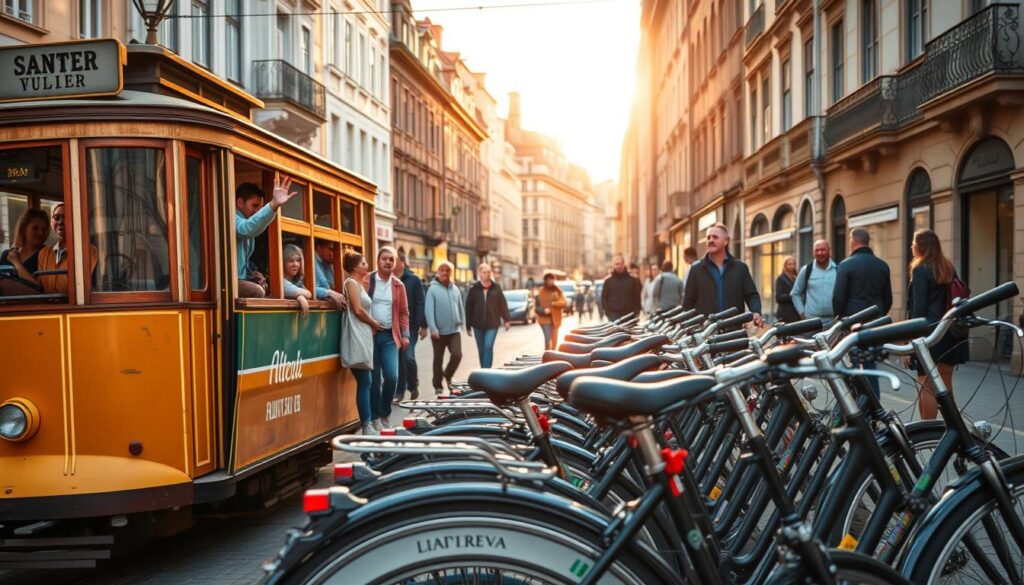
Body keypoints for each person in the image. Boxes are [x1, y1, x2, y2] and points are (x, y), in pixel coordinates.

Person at [907, 229, 968, 419]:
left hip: (928, 334)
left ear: (919, 247)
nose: (911, 246)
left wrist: (911, 344)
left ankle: (926, 435)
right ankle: (956, 434)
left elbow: (919, 309)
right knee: (947, 388)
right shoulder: (948, 267)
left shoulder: (920, 269)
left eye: (913, 243)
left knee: (927, 387)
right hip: (949, 332)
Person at [832, 228, 893, 397]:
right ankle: (871, 404)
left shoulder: (846, 265)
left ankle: (864, 407)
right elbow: (888, 298)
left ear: (852, 242)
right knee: (869, 365)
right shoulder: (882, 266)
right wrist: (878, 316)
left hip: (852, 325)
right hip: (875, 325)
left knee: (852, 366)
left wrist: (840, 320)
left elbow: (838, 298)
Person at [682, 223, 764, 327]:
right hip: (705, 334)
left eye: (715, 237)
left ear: (726, 241)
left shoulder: (740, 268)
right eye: (708, 237)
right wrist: (695, 326)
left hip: (734, 333)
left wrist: (756, 312)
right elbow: (687, 304)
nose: (711, 240)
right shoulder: (696, 269)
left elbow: (751, 295)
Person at [367, 246, 410, 429]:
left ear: (395, 263)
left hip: (389, 336)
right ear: (378, 261)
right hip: (370, 335)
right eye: (384, 259)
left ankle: (385, 412)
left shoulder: (398, 285)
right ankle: (375, 416)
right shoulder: (367, 280)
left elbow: (403, 313)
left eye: (391, 259)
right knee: (374, 379)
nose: (387, 262)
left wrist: (405, 334)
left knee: (392, 376)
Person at [235, 174, 297, 298]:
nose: (257, 210)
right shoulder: (232, 216)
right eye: (254, 206)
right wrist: (273, 204)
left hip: (238, 280)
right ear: (240, 202)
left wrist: (253, 274)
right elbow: (246, 228)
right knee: (258, 291)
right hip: (228, 283)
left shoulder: (245, 220)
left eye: (260, 207)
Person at [341, 250, 379, 435]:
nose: (367, 266)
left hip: (362, 334)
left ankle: (368, 422)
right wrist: (374, 323)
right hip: (356, 334)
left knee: (367, 381)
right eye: (363, 263)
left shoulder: (359, 283)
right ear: (355, 266)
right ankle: (367, 424)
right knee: (366, 380)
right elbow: (357, 310)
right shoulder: (351, 283)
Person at [36, 203, 97, 295]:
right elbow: (40, 286)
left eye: (66, 217)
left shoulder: (89, 251)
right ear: (52, 223)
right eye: (56, 218)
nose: (60, 222)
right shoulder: (44, 253)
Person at [425, 261, 464, 395]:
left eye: (447, 270)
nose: (445, 273)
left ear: (451, 273)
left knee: (457, 354)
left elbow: (460, 306)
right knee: (438, 359)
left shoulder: (455, 288)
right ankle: (437, 384)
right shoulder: (432, 289)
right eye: (442, 270)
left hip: (454, 330)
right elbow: (428, 310)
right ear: (438, 272)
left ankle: (448, 374)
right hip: (439, 332)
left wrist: (462, 322)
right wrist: (433, 328)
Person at [465, 263, 511, 369]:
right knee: (481, 350)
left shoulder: (496, 287)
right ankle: (484, 372)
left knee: (488, 346)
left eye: (489, 272)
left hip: (493, 323)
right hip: (477, 324)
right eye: (484, 272)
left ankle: (487, 372)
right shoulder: (474, 289)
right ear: (479, 274)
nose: (487, 274)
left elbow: (503, 304)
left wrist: (507, 320)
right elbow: (468, 308)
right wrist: (468, 326)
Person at [394, 250, 427, 401]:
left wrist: (423, 325)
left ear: (401, 262)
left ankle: (413, 385)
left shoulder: (414, 280)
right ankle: (399, 392)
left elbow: (421, 302)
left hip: (410, 326)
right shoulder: (389, 280)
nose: (390, 263)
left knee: (408, 356)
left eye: (393, 260)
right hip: (394, 326)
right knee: (399, 359)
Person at [0, 208, 50, 295]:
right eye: (35, 228)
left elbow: (38, 289)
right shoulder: (6, 255)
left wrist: (17, 263)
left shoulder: (47, 255)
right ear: (23, 229)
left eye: (44, 229)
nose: (40, 232)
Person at [791, 239, 838, 324]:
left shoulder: (837, 270)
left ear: (829, 251)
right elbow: (795, 293)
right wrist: (802, 314)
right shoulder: (807, 270)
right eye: (817, 250)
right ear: (813, 253)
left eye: (823, 250)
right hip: (812, 322)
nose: (820, 253)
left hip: (833, 322)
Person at [602, 254, 642, 321]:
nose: (618, 266)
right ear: (613, 265)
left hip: (630, 316)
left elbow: (637, 298)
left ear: (623, 264)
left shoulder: (633, 280)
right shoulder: (608, 281)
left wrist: (636, 312)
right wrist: (608, 313)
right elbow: (604, 298)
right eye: (616, 264)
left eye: (620, 264)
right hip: (614, 317)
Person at [535, 271, 567, 350]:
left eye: (552, 280)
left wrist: (554, 304)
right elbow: (536, 307)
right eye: (549, 280)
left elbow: (564, 302)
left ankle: (553, 354)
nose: (551, 282)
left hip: (555, 319)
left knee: (554, 340)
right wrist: (543, 310)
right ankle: (547, 355)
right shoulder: (540, 291)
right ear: (545, 281)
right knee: (548, 338)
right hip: (544, 319)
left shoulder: (557, 290)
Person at [313, 240, 347, 310]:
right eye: (331, 249)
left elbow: (331, 285)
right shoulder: (310, 260)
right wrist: (329, 293)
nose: (333, 254)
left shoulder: (327, 263)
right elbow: (310, 289)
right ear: (319, 247)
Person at [282, 244, 312, 316]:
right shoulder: (280, 282)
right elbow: (308, 294)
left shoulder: (297, 281)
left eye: (298, 260)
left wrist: (298, 296)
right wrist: (299, 296)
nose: (295, 264)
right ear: (283, 263)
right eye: (291, 261)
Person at [774, 256, 801, 323]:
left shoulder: (798, 277)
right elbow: (778, 297)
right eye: (789, 264)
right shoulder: (781, 279)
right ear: (785, 265)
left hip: (797, 312)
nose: (791, 266)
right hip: (785, 312)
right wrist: (792, 296)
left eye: (793, 264)